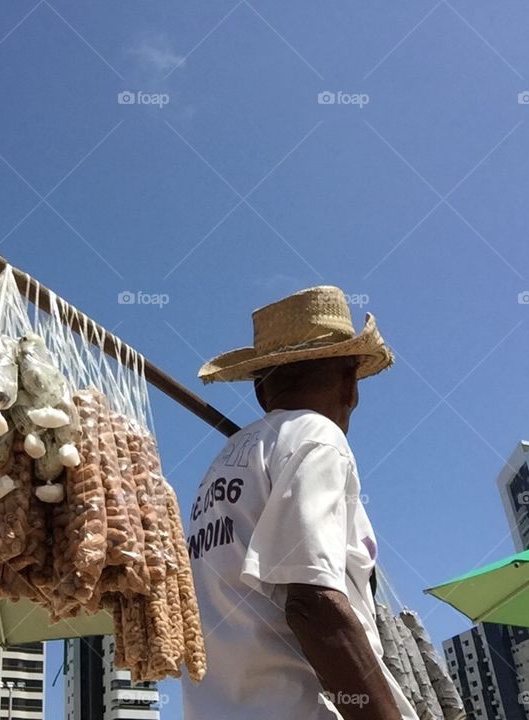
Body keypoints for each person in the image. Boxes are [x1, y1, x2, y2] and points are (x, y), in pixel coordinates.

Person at [181, 286, 417, 720]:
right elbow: (313, 603)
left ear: (259, 390)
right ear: (350, 384)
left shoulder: (222, 464)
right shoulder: (318, 437)